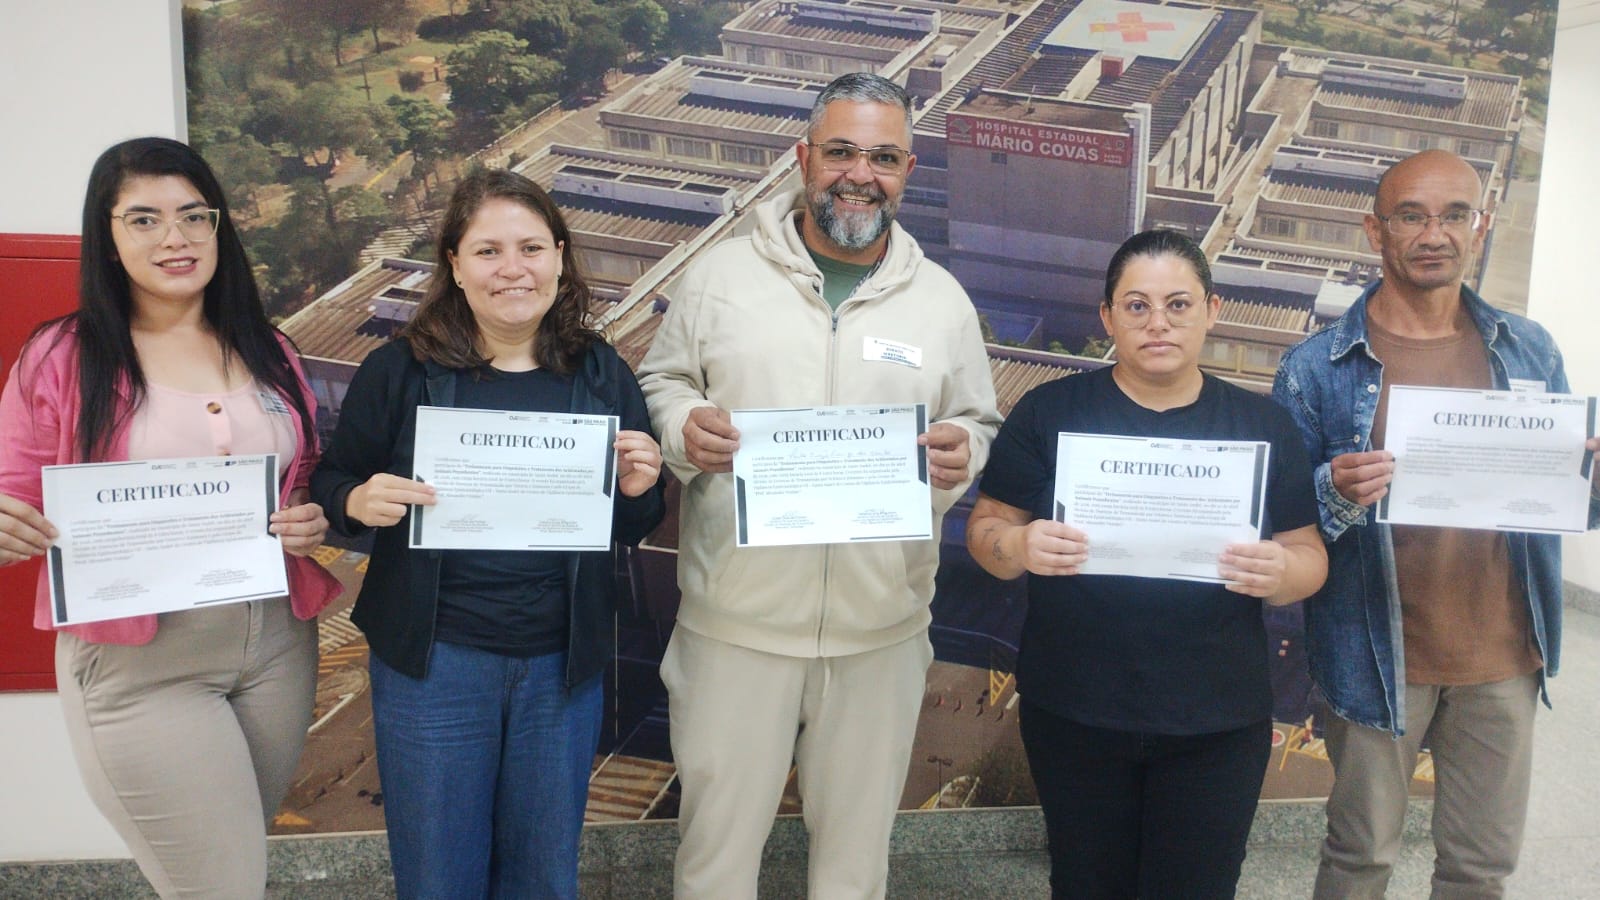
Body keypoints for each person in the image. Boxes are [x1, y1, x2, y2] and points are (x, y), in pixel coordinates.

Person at [636, 72, 1002, 898]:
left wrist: (961, 455)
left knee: (853, 871)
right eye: (840, 151)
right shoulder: (719, 277)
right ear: (803, 157)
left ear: (907, 171)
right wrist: (683, 428)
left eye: (883, 157)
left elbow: (975, 422)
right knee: (714, 865)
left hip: (881, 635)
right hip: (735, 631)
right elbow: (660, 385)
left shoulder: (942, 304)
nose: (859, 174)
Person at [310, 168, 665, 900]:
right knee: (440, 877)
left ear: (561, 257)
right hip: (434, 664)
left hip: (558, 669)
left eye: (532, 247)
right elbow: (333, 482)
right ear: (454, 266)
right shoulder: (400, 371)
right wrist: (357, 499)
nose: (513, 269)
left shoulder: (599, 372)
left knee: (542, 877)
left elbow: (634, 522)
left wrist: (642, 485)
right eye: (488, 251)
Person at [0, 137, 341, 898]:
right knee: (222, 888)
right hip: (143, 664)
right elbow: (12, 496)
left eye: (194, 216)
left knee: (228, 872)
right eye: (144, 220)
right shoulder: (62, 356)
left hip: (277, 648)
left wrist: (310, 520)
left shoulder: (268, 348)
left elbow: (302, 478)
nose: (175, 238)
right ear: (109, 237)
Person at [1272, 148, 1600, 898]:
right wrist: (1333, 490)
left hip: (1505, 654)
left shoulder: (1528, 348)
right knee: (1361, 859)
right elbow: (1283, 527)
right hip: (1374, 656)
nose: (1435, 233)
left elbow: (1562, 500)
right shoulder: (1316, 367)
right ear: (1373, 229)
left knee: (1480, 868)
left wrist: (1592, 479)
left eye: (1456, 214)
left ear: (1480, 227)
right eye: (1411, 215)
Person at [965, 229, 1329, 898]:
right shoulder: (1050, 413)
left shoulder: (1262, 426)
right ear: (1107, 318)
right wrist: (1016, 547)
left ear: (1211, 311)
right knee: (1086, 883)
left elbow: (1311, 557)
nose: (1158, 323)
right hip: (1075, 712)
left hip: (1216, 723)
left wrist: (1282, 569)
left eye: (1178, 304)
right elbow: (987, 532)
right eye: (1136, 306)